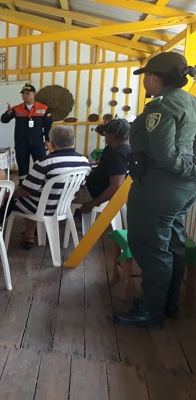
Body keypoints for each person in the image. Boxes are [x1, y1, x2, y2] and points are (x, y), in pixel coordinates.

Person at [113, 52, 196, 328]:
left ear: (153, 77)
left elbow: (165, 155)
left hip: (160, 186)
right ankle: (167, 303)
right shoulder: (190, 101)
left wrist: (190, 171)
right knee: (172, 242)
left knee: (151, 246)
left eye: (146, 76)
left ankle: (151, 311)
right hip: (181, 190)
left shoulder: (162, 106)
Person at [10, 125, 90, 248]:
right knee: (33, 195)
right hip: (65, 205)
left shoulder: (44, 162)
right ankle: (33, 231)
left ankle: (29, 236)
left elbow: (27, 190)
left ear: (52, 144)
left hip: (44, 207)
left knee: (23, 196)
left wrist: (11, 194)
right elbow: (82, 185)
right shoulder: (83, 161)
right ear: (73, 141)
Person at [74, 118, 131, 214]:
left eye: (106, 133)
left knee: (60, 191)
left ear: (112, 136)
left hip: (89, 193)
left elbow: (116, 185)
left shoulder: (118, 155)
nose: (104, 135)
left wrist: (92, 204)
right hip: (93, 190)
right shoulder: (128, 150)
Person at [0, 84, 53, 183]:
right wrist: (8, 113)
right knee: (22, 166)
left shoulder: (44, 108)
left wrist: (48, 140)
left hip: (38, 143)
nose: (25, 95)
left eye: (27, 93)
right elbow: (4, 120)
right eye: (23, 94)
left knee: (41, 165)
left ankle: (41, 185)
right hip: (21, 143)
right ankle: (23, 186)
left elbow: (48, 126)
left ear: (34, 94)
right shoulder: (16, 109)